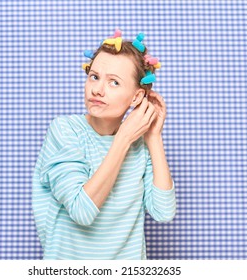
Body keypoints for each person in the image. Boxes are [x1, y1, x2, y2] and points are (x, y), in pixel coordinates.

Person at [32, 30, 176, 260]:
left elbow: (163, 212)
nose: (97, 89)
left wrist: (153, 138)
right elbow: (82, 211)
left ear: (137, 97)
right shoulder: (65, 130)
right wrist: (123, 140)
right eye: (94, 76)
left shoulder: (139, 145)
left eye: (114, 82)